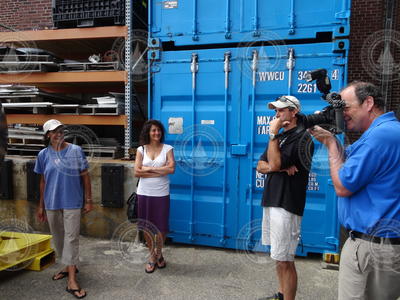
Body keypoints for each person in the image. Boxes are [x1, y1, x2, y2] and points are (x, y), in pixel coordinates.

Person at [309, 82, 400, 300]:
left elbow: (343, 186)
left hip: (370, 247)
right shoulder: (386, 132)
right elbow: (350, 161)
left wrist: (331, 144)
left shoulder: (380, 137)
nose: (343, 114)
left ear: (368, 103)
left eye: (346, 108)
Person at [257, 96, 314, 300]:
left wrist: (272, 136)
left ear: (293, 111)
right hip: (272, 200)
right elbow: (261, 165)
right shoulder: (281, 138)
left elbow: (271, 165)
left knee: (286, 260)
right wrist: (278, 167)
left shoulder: (302, 138)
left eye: (281, 111)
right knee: (278, 257)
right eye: (275, 111)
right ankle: (281, 295)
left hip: (287, 204)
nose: (277, 115)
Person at [35, 119, 92, 299]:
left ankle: (72, 280)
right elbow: (43, 182)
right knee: (58, 239)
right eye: (54, 131)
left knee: (72, 238)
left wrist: (88, 200)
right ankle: (67, 267)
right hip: (52, 202)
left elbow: (85, 177)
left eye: (61, 130)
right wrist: (41, 205)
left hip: (72, 202)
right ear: (48, 135)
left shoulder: (76, 151)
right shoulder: (43, 155)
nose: (59, 133)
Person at [134, 119, 175, 273]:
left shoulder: (168, 149)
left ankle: (159, 253)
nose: (156, 133)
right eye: (153, 130)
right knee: (146, 227)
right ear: (148, 133)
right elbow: (136, 172)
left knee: (161, 227)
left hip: (161, 193)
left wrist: (147, 169)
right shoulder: (141, 150)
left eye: (158, 130)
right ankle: (152, 256)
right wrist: (160, 170)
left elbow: (171, 169)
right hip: (144, 193)